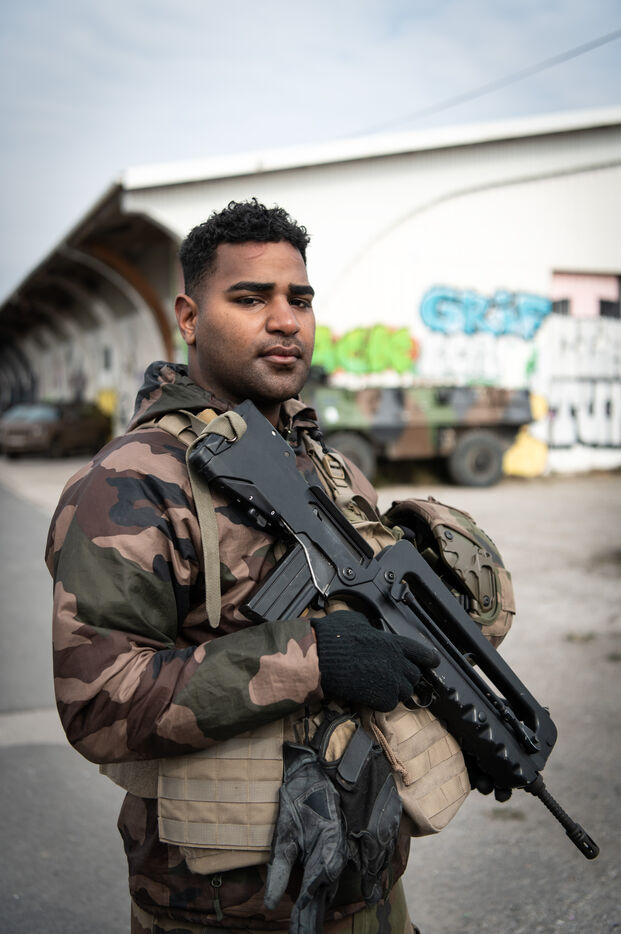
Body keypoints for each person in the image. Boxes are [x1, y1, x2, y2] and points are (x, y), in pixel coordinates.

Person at [46, 199, 513, 934]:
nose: (285, 320)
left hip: (367, 882)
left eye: (300, 299)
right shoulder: (133, 482)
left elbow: (378, 644)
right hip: (222, 907)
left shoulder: (330, 469)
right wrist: (312, 657)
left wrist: (451, 716)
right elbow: (98, 704)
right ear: (189, 317)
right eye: (250, 298)